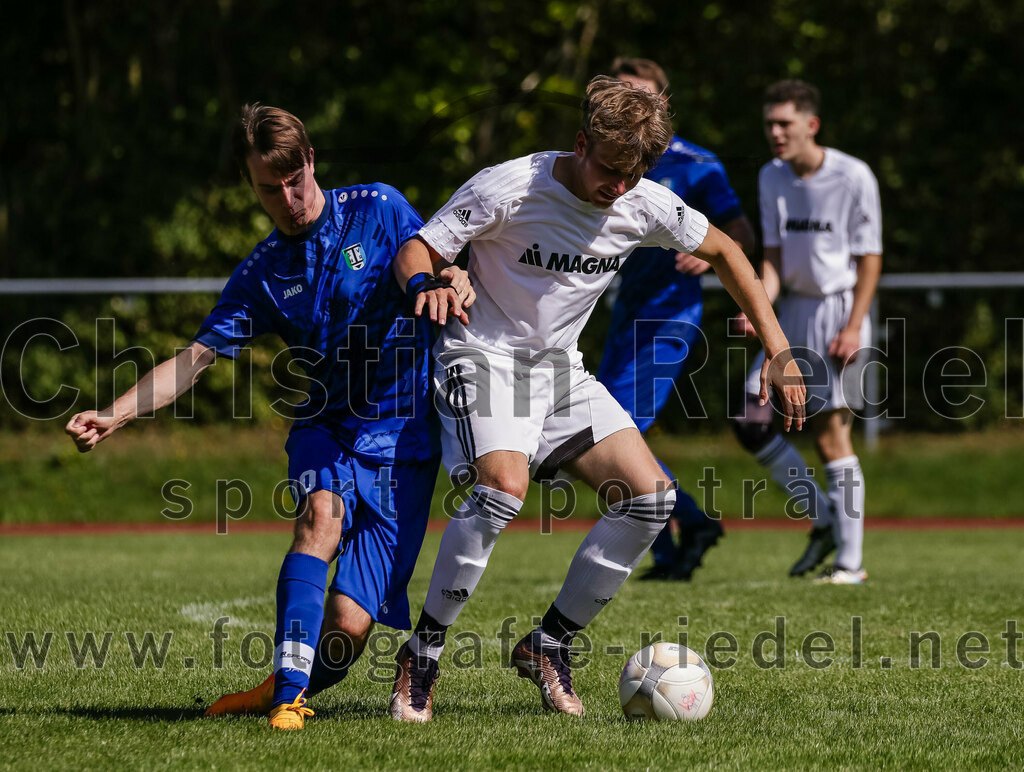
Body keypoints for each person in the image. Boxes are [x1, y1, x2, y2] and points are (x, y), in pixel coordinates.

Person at [387, 75, 805, 722]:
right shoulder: (510, 186)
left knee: (652, 499)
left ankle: (549, 643)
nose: (617, 187)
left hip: (559, 372)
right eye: (608, 170)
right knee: (501, 489)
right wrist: (428, 280)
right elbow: (419, 244)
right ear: (581, 143)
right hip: (481, 356)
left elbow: (725, 249)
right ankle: (424, 651)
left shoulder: (643, 201)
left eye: (632, 176)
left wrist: (779, 351)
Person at [65, 103, 473, 730]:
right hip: (326, 429)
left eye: (294, 180)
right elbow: (194, 360)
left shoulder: (379, 207)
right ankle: (288, 695)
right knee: (321, 516)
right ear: (249, 187)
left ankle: (284, 682)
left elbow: (425, 256)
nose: (286, 198)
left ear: (312, 160)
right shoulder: (262, 272)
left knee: (347, 629)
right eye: (267, 188)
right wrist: (116, 414)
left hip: (406, 444)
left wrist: (445, 279)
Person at [599, 57, 756, 581]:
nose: (627, 105)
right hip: (624, 312)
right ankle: (676, 543)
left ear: (661, 102)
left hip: (668, 317)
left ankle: (687, 523)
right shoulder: (607, 158)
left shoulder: (697, 165)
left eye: (638, 95)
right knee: (614, 436)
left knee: (612, 433)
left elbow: (739, 235)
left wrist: (704, 252)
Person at [732, 80, 882, 584]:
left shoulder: (852, 175)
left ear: (810, 125)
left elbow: (870, 257)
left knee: (831, 438)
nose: (775, 133)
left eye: (785, 124)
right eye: (769, 124)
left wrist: (855, 325)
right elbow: (771, 259)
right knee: (750, 419)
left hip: (837, 313)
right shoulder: (771, 176)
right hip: (790, 313)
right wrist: (759, 307)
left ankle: (851, 564)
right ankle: (823, 519)